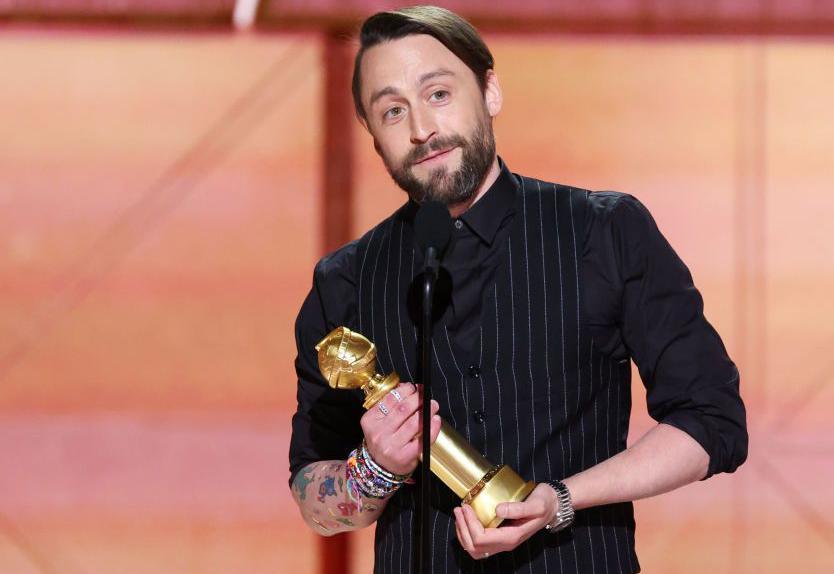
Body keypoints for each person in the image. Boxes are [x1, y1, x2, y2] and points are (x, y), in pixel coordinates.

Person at [288, 5, 748, 573]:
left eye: (438, 94)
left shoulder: (603, 231)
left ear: (490, 92)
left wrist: (560, 499)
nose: (420, 129)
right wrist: (373, 470)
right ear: (373, 136)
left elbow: (711, 422)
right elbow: (312, 494)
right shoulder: (346, 282)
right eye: (392, 110)